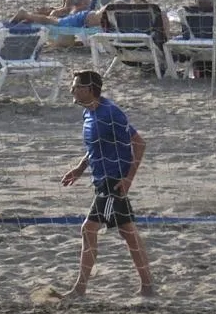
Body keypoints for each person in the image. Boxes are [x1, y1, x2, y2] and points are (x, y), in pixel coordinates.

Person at [58, 70, 154, 300]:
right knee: (128, 233)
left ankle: (80, 288)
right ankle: (148, 285)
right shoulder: (88, 113)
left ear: (89, 89)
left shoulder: (111, 113)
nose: (71, 90)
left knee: (88, 229)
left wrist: (127, 180)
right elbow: (95, 148)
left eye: (75, 86)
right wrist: (80, 169)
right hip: (101, 181)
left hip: (113, 183)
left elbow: (139, 144)